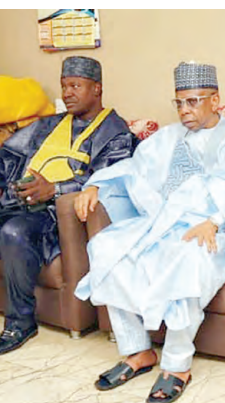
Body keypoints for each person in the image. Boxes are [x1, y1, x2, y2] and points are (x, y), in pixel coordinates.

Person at [73, 61, 225, 403]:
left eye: (193, 101)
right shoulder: (168, 137)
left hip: (211, 227)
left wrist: (214, 220)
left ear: (215, 99)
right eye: (179, 103)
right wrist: (96, 185)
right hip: (159, 222)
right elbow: (134, 168)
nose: (185, 111)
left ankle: (177, 365)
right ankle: (137, 351)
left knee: (187, 260)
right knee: (107, 248)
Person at [0, 56, 135, 355]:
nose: (67, 93)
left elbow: (109, 179)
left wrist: (54, 189)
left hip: (52, 215)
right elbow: (8, 156)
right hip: (17, 200)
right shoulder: (50, 124)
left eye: (75, 86)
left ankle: (20, 322)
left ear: (97, 89)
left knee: (14, 232)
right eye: (64, 86)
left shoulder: (116, 133)